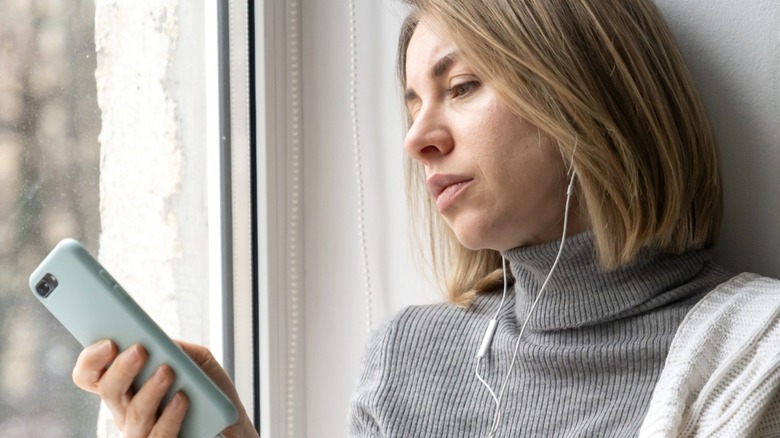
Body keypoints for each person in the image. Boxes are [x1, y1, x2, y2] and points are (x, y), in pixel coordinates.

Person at [71, 0, 780, 436]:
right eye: (413, 104)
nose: (417, 140)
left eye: (462, 86)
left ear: (587, 96)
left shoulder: (754, 356)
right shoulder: (406, 361)